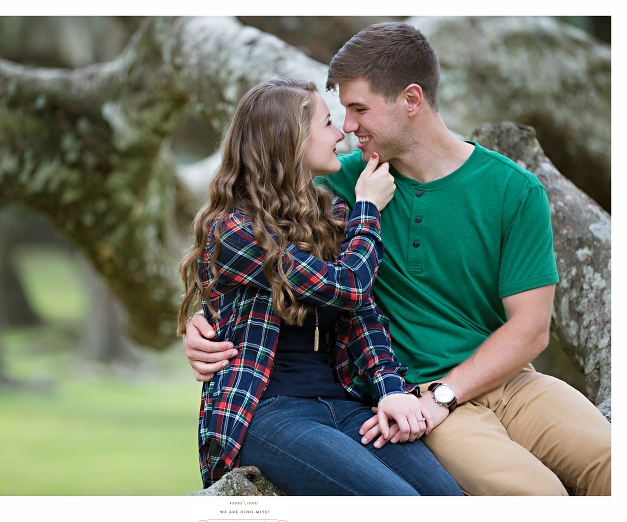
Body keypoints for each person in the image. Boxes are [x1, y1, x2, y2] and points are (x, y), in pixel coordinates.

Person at [184, 23, 611, 496]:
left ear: (411, 99)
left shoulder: (514, 189)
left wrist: (446, 394)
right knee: (538, 496)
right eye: (340, 114)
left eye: (359, 109)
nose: (347, 127)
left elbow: (530, 329)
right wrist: (205, 321)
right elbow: (261, 240)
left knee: (611, 463)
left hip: (508, 382)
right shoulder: (341, 187)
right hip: (413, 396)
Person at [177, 77, 461, 496]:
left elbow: (363, 315)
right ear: (290, 139)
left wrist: (389, 392)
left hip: (344, 404)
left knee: (449, 501)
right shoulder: (232, 230)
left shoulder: (331, 215)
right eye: (328, 123)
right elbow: (346, 287)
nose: (341, 132)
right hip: (270, 414)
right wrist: (369, 209)